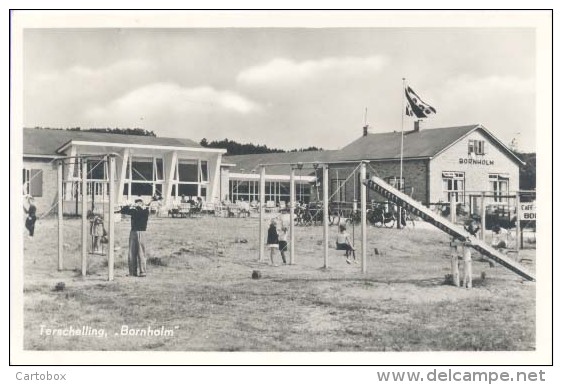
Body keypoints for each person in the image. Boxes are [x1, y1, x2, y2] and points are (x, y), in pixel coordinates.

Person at [120, 199, 150, 277]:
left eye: (138, 203)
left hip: (141, 232)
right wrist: (129, 206)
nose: (137, 205)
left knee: (141, 252)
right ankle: (132, 272)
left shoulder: (144, 210)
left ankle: (142, 271)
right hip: (133, 232)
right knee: (131, 253)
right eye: (136, 203)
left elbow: (140, 213)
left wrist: (137, 207)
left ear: (141, 204)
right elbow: (123, 211)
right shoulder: (134, 210)